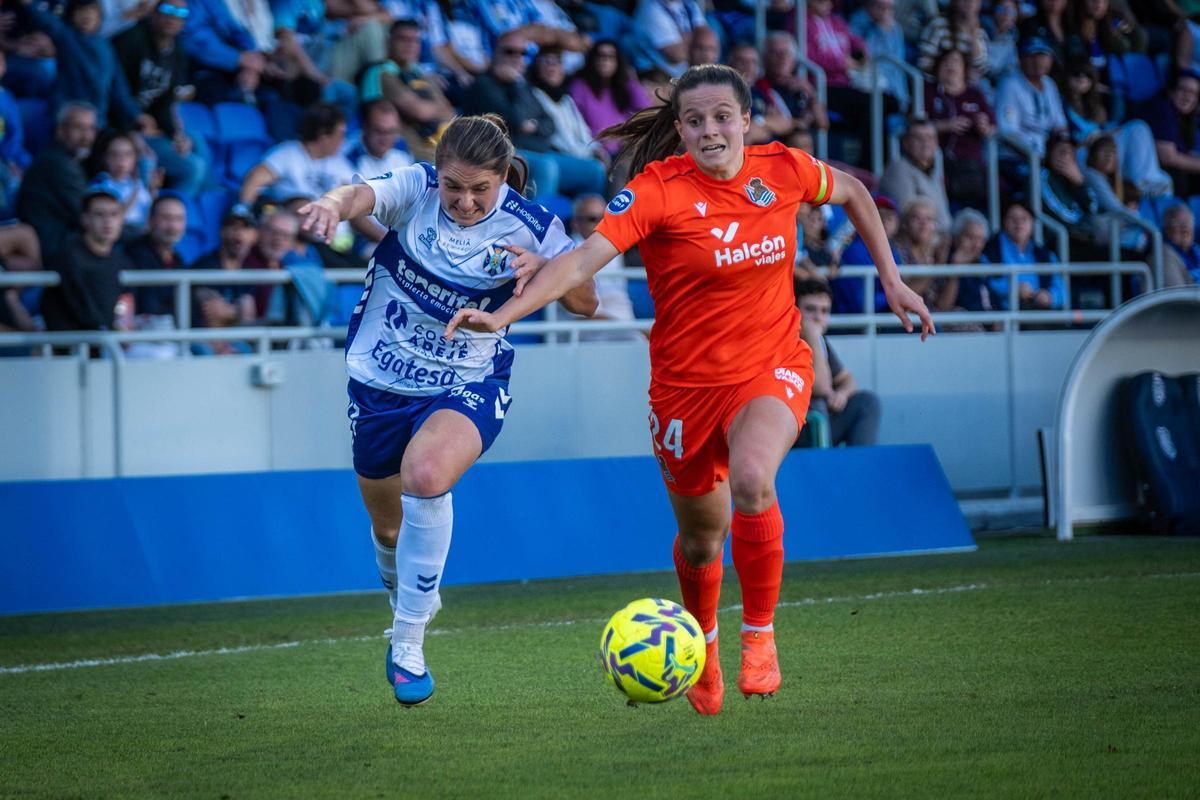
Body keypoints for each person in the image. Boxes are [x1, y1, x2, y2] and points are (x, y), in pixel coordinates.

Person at [443, 65, 934, 715]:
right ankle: (702, 645)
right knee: (703, 540)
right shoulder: (657, 190)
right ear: (679, 129)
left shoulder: (783, 169)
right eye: (695, 120)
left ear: (746, 121)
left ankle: (759, 636)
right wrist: (502, 316)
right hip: (683, 390)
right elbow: (583, 261)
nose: (710, 130)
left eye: (722, 117)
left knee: (755, 478)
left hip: (772, 365)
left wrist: (892, 280)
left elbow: (852, 193)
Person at [296, 114, 599, 706]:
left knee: (427, 475)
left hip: (469, 378)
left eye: (479, 189)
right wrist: (332, 204)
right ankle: (409, 592)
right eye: (453, 186)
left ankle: (407, 641)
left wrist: (546, 272)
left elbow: (586, 299)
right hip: (380, 380)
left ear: (503, 179)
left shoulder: (535, 226)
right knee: (387, 529)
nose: (463, 200)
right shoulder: (417, 190)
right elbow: (360, 192)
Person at [794, 278, 882, 446]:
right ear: (795, 310)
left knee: (867, 402)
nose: (818, 317)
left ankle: (858, 466)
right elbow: (819, 388)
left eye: (824, 311)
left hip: (822, 421)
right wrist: (812, 335)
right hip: (796, 427)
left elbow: (847, 379)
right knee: (817, 405)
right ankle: (822, 466)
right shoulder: (790, 339)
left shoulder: (821, 340)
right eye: (810, 309)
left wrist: (842, 394)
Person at [40, 178, 134, 331]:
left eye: (114, 215)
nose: (107, 222)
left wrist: (123, 329)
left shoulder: (123, 261)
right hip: (70, 348)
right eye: (99, 215)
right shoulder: (67, 258)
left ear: (122, 220)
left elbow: (124, 307)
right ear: (85, 219)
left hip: (106, 347)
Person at [16, 102, 98, 251]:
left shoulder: (65, 160)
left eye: (91, 128)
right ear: (61, 130)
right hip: (53, 248)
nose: (86, 136)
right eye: (78, 127)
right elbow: (91, 215)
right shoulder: (57, 164)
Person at [878, 117, 952, 238]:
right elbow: (908, 217)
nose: (925, 143)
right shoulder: (898, 169)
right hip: (914, 246)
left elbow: (945, 219)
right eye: (918, 138)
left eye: (930, 138)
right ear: (906, 143)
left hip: (938, 243)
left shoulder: (934, 173)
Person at [1161, 202, 1200, 286]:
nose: (1185, 227)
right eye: (1178, 222)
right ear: (1167, 228)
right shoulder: (1164, 255)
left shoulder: (1196, 250)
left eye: (1188, 222)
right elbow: (1177, 296)